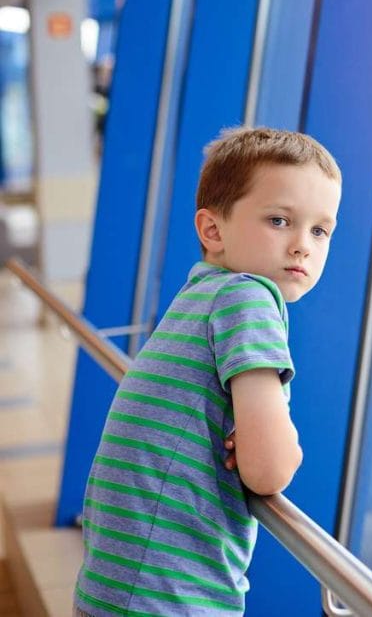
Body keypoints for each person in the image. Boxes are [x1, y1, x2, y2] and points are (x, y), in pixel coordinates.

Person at [73, 127, 342, 616]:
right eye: (280, 220)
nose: (303, 245)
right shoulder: (249, 298)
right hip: (170, 597)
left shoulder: (200, 293)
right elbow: (268, 469)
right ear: (213, 230)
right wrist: (288, 443)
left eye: (320, 230)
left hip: (116, 585)